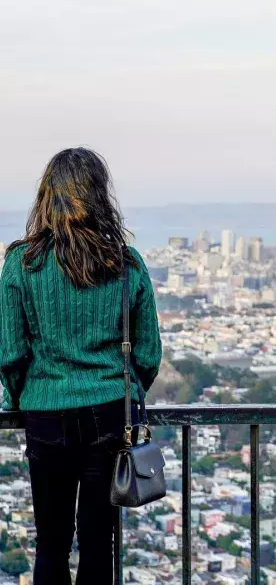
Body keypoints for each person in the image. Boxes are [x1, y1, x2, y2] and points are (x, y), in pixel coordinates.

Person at [0, 148, 162, 585]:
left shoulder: (22, 263)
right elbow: (148, 354)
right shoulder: (126, 265)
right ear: (99, 196)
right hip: (110, 409)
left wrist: (19, 398)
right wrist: (121, 385)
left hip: (45, 413)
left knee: (51, 544)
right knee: (98, 542)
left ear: (46, 196)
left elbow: (10, 354)